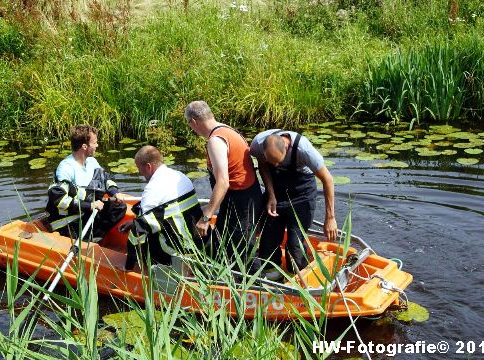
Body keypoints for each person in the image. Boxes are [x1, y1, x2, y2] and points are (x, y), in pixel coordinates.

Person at [250, 129, 338, 279]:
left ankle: (298, 282)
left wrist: (330, 217)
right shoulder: (257, 144)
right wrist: (270, 195)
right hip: (276, 192)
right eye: (272, 162)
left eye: (279, 161)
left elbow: (328, 180)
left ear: (286, 146)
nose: (276, 165)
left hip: (302, 194)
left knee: (294, 245)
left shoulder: (304, 149)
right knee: (267, 243)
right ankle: (274, 282)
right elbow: (263, 166)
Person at [184, 100, 261, 271]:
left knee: (244, 248)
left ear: (194, 122)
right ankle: (228, 278)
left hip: (241, 201)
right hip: (248, 195)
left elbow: (223, 182)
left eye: (189, 124)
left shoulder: (215, 141)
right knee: (223, 240)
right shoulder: (227, 129)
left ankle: (258, 288)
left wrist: (206, 217)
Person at [118, 146, 203, 270]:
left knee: (142, 230)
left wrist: (128, 266)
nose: (139, 172)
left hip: (173, 255)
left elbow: (138, 231)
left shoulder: (152, 190)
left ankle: (150, 267)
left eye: (138, 168)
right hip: (197, 245)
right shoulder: (181, 177)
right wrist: (135, 222)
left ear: (148, 167)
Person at [46, 125, 126, 239]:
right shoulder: (66, 168)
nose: (97, 145)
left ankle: (94, 236)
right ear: (84, 146)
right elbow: (58, 199)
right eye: (95, 143)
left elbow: (106, 179)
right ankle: (84, 238)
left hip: (87, 211)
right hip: (68, 218)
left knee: (119, 207)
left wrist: (114, 192)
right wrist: (90, 205)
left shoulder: (92, 161)